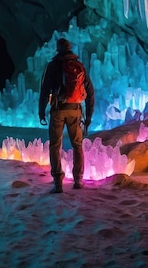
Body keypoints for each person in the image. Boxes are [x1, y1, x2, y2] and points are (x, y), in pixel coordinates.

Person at [38, 38, 94, 193]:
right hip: (75, 110)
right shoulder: (79, 66)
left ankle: (58, 182)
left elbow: (44, 91)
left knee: (55, 145)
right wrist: (88, 115)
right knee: (77, 145)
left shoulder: (53, 66)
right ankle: (78, 179)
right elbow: (90, 91)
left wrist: (41, 111)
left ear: (58, 49)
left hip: (58, 110)